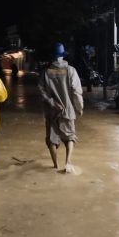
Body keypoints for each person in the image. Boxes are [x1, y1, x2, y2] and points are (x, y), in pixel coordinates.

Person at [38, 42, 84, 173]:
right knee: (70, 136)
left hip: (51, 111)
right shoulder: (71, 71)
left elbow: (41, 91)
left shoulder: (46, 72)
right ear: (63, 56)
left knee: (52, 139)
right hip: (68, 110)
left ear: (53, 56)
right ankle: (68, 162)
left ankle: (55, 166)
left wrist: (51, 102)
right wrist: (79, 108)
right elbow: (76, 92)